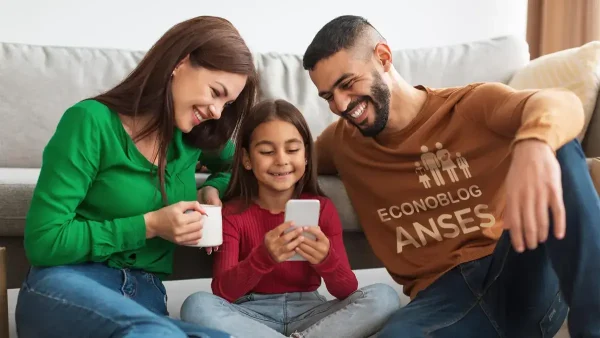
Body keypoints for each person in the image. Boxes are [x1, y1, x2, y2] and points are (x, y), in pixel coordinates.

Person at [302, 15, 600, 338]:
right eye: (328, 96)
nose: (341, 104)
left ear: (384, 58)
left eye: (347, 84)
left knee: (558, 145)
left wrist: (535, 143)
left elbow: (562, 103)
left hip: (516, 272)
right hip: (440, 303)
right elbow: (288, 161)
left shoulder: (469, 106)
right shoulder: (341, 142)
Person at [15, 16, 258, 338]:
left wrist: (213, 188)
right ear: (180, 62)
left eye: (227, 104)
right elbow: (44, 242)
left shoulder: (194, 138)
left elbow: (243, 165)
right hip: (69, 282)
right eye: (215, 92)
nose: (217, 111)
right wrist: (150, 225)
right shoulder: (91, 121)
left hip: (145, 293)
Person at [179, 99, 400, 338]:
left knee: (384, 297)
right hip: (250, 314)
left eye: (292, 150)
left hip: (311, 311)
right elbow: (222, 292)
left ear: (306, 155)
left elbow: (346, 289)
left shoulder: (322, 208)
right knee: (196, 305)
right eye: (266, 151)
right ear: (246, 159)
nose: (281, 160)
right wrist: (263, 258)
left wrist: (326, 259)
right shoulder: (233, 214)